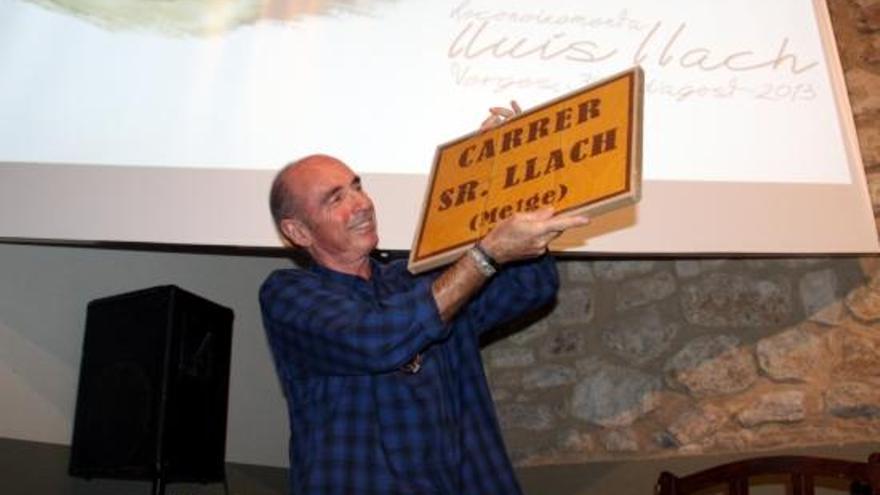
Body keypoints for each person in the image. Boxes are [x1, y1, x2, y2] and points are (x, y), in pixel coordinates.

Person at [259, 106, 590, 495]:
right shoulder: (288, 293)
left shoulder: (417, 276)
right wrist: (483, 256)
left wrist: (509, 183)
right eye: (335, 199)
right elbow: (377, 340)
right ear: (297, 231)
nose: (362, 203)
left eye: (357, 186)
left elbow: (528, 288)